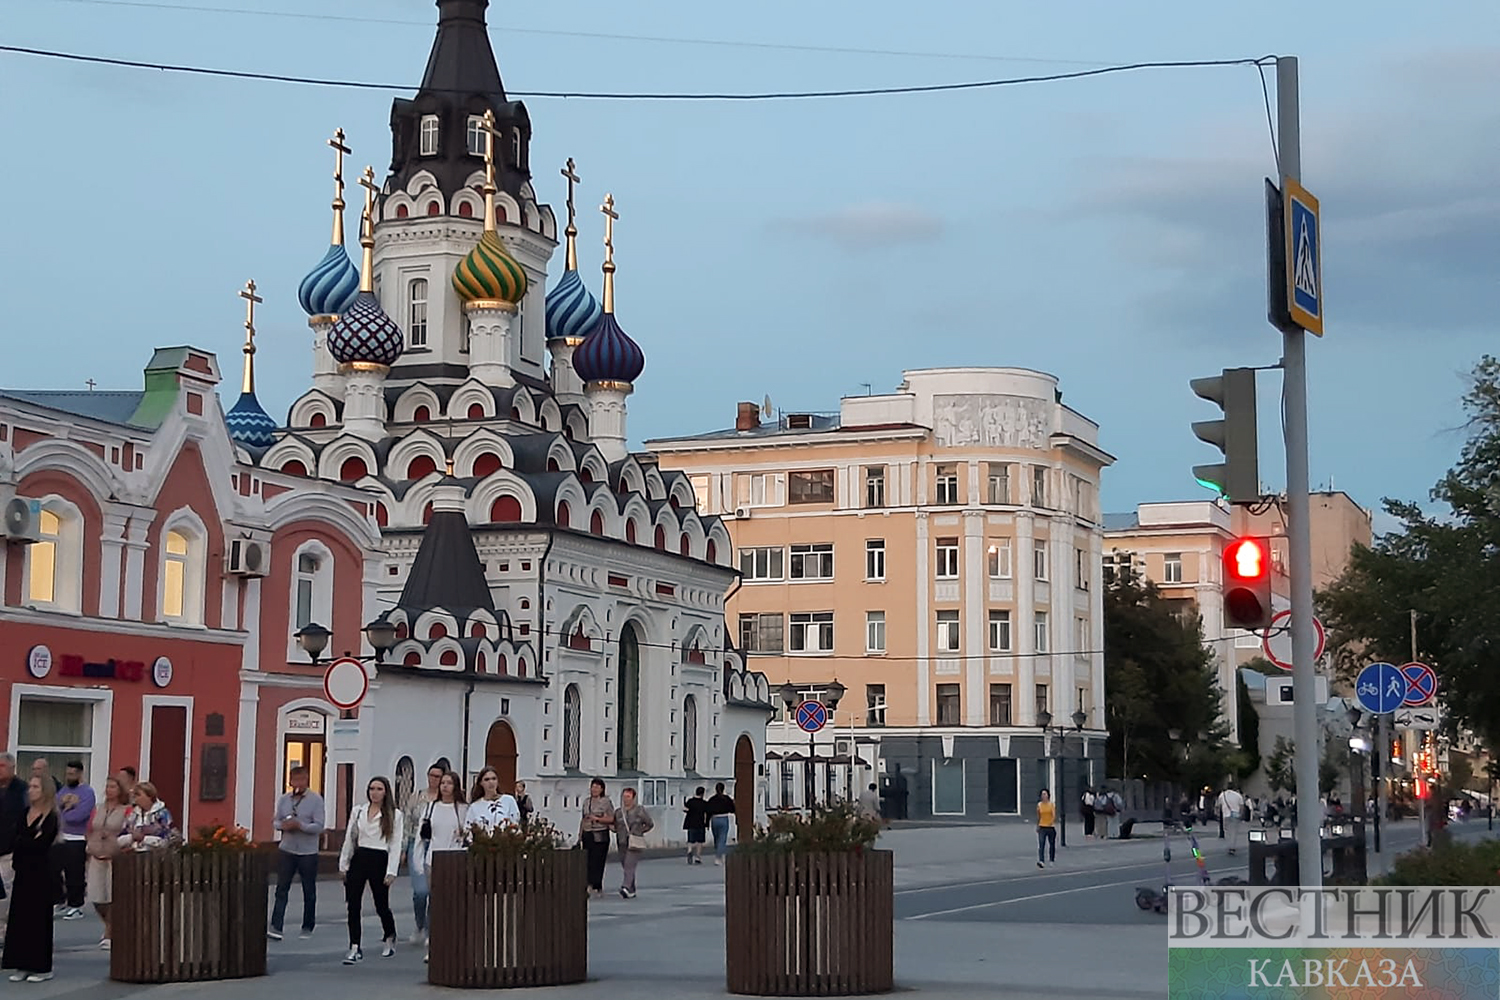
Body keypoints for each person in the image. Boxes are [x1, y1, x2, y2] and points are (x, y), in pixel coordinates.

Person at [338, 776, 403, 965]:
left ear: (386, 792)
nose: (375, 793)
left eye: (379, 789)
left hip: (379, 857)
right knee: (353, 904)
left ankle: (389, 935)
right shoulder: (358, 811)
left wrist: (392, 871)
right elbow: (350, 838)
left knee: (380, 904)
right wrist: (344, 863)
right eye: (372, 789)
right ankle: (354, 946)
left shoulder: (394, 815)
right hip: (360, 857)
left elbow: (395, 843)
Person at [3, 776, 59, 982]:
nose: (31, 790)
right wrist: (27, 840)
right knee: (20, 917)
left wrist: (25, 841)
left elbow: (41, 843)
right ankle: (21, 964)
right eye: (30, 787)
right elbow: (15, 839)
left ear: (45, 790)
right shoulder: (24, 813)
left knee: (37, 919)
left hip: (41, 873)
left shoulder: (50, 816)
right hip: (22, 871)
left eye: (35, 787)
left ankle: (41, 967)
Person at [412, 772, 466, 965]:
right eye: (443, 782)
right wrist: (418, 862)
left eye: (449, 783)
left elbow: (470, 834)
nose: (445, 786)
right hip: (433, 860)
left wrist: (464, 838)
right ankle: (432, 943)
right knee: (435, 904)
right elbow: (421, 837)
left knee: (453, 904)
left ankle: (453, 943)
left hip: (456, 860)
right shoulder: (430, 808)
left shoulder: (463, 809)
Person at [269, 766, 325, 942]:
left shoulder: (316, 800)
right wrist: (282, 826)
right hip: (287, 849)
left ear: (307, 780)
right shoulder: (284, 799)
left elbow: (319, 826)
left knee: (308, 890)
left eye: (302, 779)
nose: (299, 783)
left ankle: (307, 926)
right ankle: (276, 926)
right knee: (281, 888)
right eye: (296, 780)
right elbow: (276, 821)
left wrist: (301, 826)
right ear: (291, 781)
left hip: (308, 852)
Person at [85, 776, 130, 950]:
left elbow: (127, 830)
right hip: (96, 855)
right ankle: (110, 924)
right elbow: (89, 828)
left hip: (114, 857)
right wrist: (89, 845)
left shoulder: (126, 810)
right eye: (108, 786)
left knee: (112, 896)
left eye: (113, 787)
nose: (109, 790)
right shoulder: (98, 808)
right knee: (96, 896)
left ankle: (110, 931)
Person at [402, 762, 444, 946]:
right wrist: (403, 848)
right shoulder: (418, 797)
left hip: (438, 845)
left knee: (435, 891)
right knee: (421, 891)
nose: (434, 779)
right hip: (417, 843)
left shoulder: (445, 800)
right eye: (431, 775)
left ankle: (430, 929)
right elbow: (406, 822)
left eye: (438, 776)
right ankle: (419, 924)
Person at [55, 761, 94, 921]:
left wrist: (65, 811)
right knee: (55, 871)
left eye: (72, 774)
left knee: (75, 873)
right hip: (60, 836)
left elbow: (80, 816)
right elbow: (54, 809)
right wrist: (65, 806)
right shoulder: (63, 790)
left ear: (79, 774)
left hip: (77, 838)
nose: (69, 776)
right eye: (67, 773)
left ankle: (76, 905)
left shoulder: (87, 792)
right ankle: (60, 901)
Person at [0, 753, 27, 936]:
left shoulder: (22, 790)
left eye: (2, 766)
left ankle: (5, 930)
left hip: (11, 850)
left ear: (12, 768)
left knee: (6, 893)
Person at [614, 787, 654, 899]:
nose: (626, 799)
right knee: (625, 865)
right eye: (624, 797)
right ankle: (631, 889)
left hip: (635, 841)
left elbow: (649, 823)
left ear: (633, 798)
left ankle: (625, 887)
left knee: (629, 865)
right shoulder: (618, 812)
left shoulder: (639, 810)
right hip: (622, 841)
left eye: (628, 797)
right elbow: (615, 825)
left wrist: (640, 831)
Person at [579, 779, 615, 897]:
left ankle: (597, 885)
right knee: (588, 860)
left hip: (600, 834)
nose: (594, 789)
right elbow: (583, 818)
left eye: (597, 787)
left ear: (602, 789)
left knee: (598, 860)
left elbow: (612, 818)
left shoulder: (606, 802)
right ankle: (588, 883)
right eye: (593, 787)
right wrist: (580, 834)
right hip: (588, 833)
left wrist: (598, 819)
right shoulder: (586, 802)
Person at [117, 783, 172, 851]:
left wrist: (144, 839)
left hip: (155, 855)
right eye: (134, 795)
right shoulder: (132, 815)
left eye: (138, 795)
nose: (135, 798)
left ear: (149, 796)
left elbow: (167, 841)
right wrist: (131, 837)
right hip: (133, 854)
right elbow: (119, 840)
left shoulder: (162, 814)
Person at [706, 782, 736, 865]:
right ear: (723, 789)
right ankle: (718, 857)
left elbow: (708, 811)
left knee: (716, 838)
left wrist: (707, 823)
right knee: (722, 839)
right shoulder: (726, 799)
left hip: (714, 819)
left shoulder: (712, 799)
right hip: (724, 818)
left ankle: (718, 852)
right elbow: (732, 810)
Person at [1215, 784, 1246, 855]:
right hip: (1235, 815)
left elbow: (1218, 805)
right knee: (1234, 831)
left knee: (1227, 831)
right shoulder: (1238, 795)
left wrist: (1218, 813)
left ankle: (1229, 845)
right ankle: (1232, 847)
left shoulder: (1222, 795)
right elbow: (1241, 806)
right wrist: (1241, 814)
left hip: (1226, 815)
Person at [682, 787, 709, 865]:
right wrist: (706, 823)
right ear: (702, 794)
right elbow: (706, 814)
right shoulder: (704, 803)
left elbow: (685, 809)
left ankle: (689, 850)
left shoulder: (690, 801)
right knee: (699, 841)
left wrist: (690, 812)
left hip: (691, 823)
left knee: (690, 840)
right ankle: (698, 857)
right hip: (700, 823)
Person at [1035, 788, 1057, 868]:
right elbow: (1038, 816)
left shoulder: (1051, 805)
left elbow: (1053, 815)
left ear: (1048, 795)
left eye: (1045, 794)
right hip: (1042, 827)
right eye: (1042, 794)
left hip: (1050, 827)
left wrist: (1051, 822)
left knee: (1051, 844)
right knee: (1041, 844)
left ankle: (1051, 859)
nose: (1043, 796)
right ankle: (1041, 861)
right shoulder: (1039, 805)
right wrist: (1037, 825)